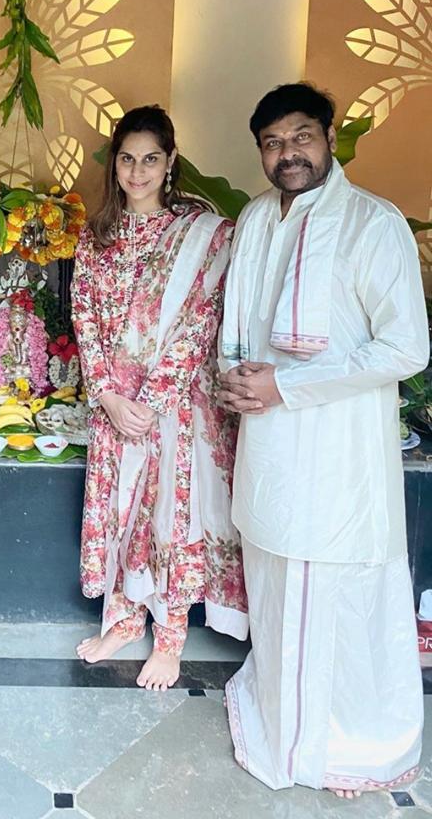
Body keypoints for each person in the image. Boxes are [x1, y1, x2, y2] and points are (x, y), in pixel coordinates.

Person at [219, 82, 428, 797]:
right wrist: (236, 379)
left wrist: (287, 384)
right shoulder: (255, 218)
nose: (289, 153)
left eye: (301, 136)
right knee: (275, 573)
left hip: (337, 451)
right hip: (268, 441)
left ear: (330, 137)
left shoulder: (373, 223)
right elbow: (240, 323)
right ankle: (281, 716)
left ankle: (349, 740)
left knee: (335, 584)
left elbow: (405, 347)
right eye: (273, 143)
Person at [71, 106, 248, 690]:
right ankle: (124, 622)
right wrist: (107, 395)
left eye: (150, 159)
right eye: (127, 159)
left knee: (171, 516)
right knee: (123, 514)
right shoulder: (96, 237)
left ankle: (170, 639)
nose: (138, 171)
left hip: (174, 406)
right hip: (114, 405)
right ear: (114, 164)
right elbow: (84, 319)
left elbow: (202, 320)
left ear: (170, 161)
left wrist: (150, 401)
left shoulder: (203, 234)